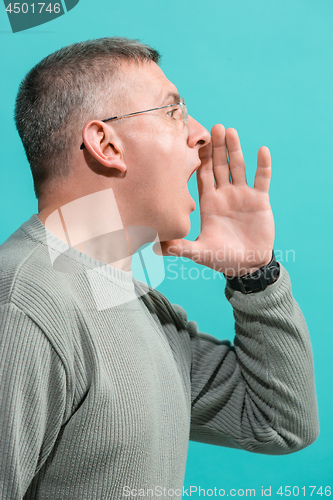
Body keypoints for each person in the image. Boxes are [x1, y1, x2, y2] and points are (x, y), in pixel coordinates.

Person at [0, 37, 319, 500]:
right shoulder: (23, 304)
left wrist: (255, 272)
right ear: (106, 143)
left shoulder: (140, 308)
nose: (200, 133)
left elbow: (277, 423)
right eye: (172, 111)